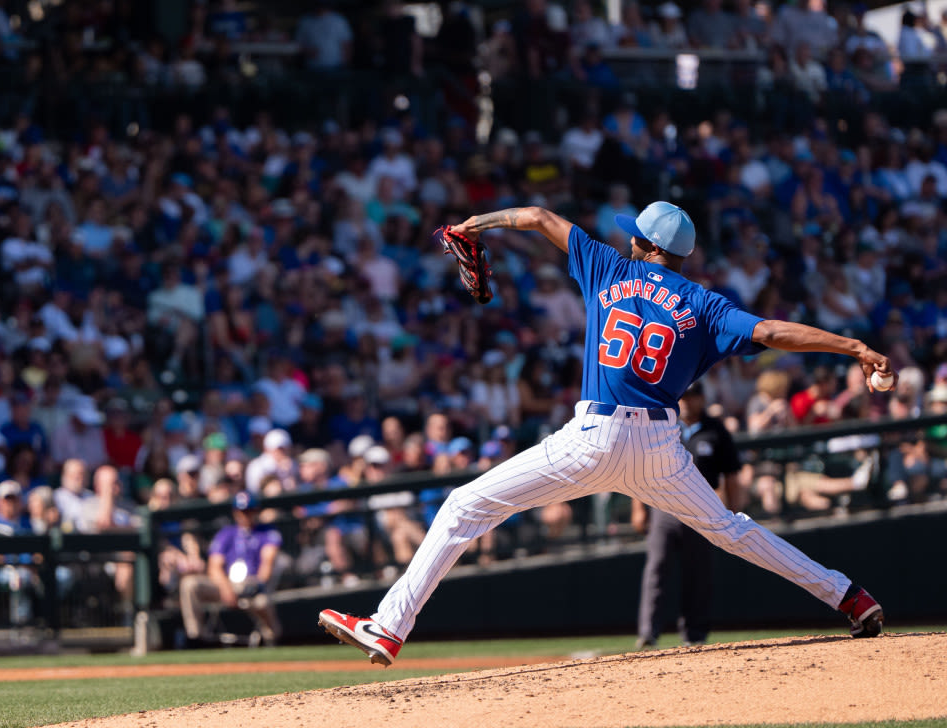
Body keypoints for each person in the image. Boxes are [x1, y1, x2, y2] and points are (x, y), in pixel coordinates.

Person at [320, 201, 889, 666]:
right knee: (730, 529)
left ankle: (389, 627)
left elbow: (539, 217)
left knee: (465, 506)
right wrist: (856, 347)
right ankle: (847, 596)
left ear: (643, 245)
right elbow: (772, 331)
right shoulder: (703, 302)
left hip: (593, 436)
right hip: (661, 449)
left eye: (633, 237)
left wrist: (477, 224)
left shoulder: (608, 268)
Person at [632, 384, 741, 649]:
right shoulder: (663, 425)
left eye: (694, 395)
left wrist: (732, 510)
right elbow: (638, 468)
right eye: (685, 395)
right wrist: (638, 508)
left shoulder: (716, 430)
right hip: (664, 506)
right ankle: (648, 633)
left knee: (699, 574)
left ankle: (695, 634)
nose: (689, 400)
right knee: (656, 569)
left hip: (702, 509)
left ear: (703, 397)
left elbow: (731, 473)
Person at [178, 491, 282, 646]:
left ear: (256, 511)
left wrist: (256, 585)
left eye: (249, 510)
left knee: (262, 603)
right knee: (190, 584)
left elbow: (268, 562)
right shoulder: (226, 533)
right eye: (241, 511)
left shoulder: (267, 532)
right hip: (225, 584)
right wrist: (226, 588)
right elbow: (214, 566)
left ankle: (273, 639)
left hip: (252, 586)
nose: (245, 515)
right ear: (235, 512)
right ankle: (196, 638)